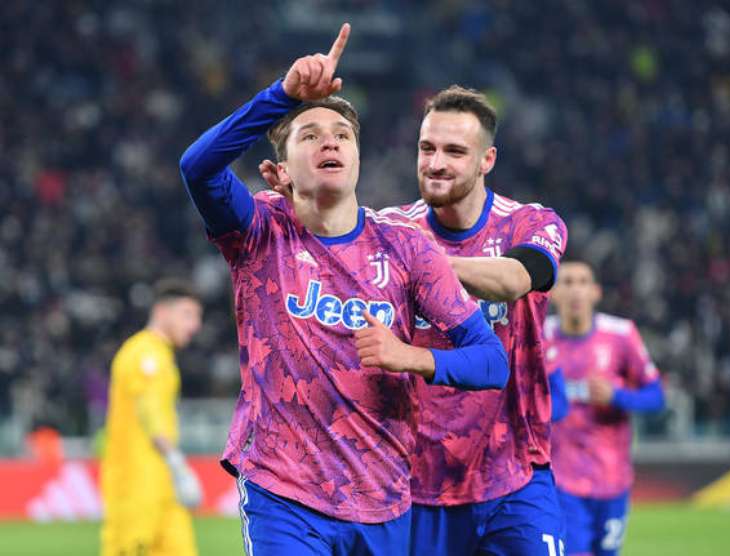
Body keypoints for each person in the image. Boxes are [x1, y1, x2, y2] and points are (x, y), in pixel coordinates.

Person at [179, 24, 509, 556]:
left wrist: (412, 357)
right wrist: (282, 97)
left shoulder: (406, 248)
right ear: (281, 170)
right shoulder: (260, 229)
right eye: (309, 135)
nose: (329, 140)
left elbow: (491, 362)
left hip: (383, 496)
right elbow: (197, 168)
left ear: (357, 158)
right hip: (283, 492)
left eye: (342, 134)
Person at [263, 85, 569, 555]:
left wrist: (424, 266)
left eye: (454, 151)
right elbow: (324, 251)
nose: (436, 163)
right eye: (427, 148)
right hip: (414, 482)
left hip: (514, 473)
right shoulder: (390, 229)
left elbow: (513, 280)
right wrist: (301, 198)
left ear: (487, 160)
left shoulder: (529, 222)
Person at [544, 260, 666, 556]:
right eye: (567, 282)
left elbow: (657, 397)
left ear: (595, 292)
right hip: (562, 479)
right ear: (553, 293)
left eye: (583, 282)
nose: (575, 290)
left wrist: (617, 396)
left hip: (613, 478)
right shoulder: (540, 336)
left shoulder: (621, 334)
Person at [100, 278, 204, 556]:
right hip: (136, 483)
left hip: (162, 484)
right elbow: (151, 412)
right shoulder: (145, 354)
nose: (194, 326)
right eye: (187, 315)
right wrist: (177, 463)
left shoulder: (160, 355)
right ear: (161, 312)